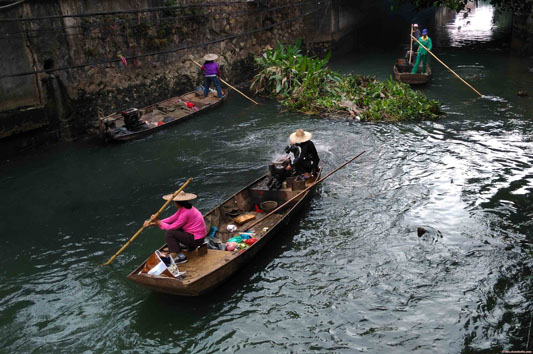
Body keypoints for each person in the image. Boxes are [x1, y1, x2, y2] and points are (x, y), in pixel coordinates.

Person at [144, 191, 207, 264]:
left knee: (170, 233)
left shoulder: (185, 213)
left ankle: (181, 257)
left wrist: (158, 222)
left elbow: (170, 227)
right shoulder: (185, 208)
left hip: (196, 239)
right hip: (195, 236)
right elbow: (171, 219)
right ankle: (184, 246)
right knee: (175, 229)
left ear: (176, 203)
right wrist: (153, 223)